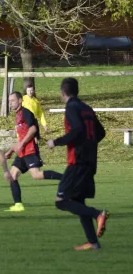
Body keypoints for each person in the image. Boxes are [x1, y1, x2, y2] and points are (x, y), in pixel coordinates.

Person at [47, 78, 109, 250]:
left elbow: (77, 130)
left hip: (77, 162)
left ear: (62, 93)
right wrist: (90, 145)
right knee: (78, 202)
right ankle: (93, 242)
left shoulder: (71, 107)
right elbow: (101, 132)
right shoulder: (87, 108)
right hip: (90, 161)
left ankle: (98, 214)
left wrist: (56, 142)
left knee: (61, 201)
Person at [4, 91, 62, 212]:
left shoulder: (26, 112)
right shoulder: (18, 115)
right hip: (22, 152)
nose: (11, 103)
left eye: (13, 100)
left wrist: (23, 144)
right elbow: (21, 138)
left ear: (20, 100)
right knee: (12, 175)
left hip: (29, 149)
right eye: (9, 101)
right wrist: (11, 150)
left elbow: (33, 128)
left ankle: (66, 178)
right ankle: (18, 205)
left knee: (36, 175)